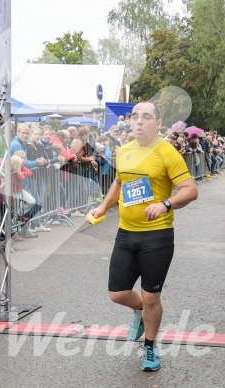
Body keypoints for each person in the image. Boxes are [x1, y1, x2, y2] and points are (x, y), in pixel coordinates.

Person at [86, 101, 198, 372]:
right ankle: (139, 313)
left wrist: (165, 204)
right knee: (118, 293)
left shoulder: (167, 152)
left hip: (157, 237)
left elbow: (190, 189)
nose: (138, 122)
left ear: (158, 124)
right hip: (126, 233)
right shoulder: (123, 151)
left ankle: (149, 346)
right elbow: (119, 181)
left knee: (151, 298)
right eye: (135, 117)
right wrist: (103, 207)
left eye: (146, 117)